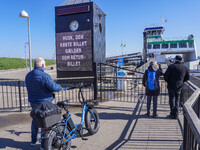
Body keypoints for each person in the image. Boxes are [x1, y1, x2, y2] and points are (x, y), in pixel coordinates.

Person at [25, 57, 64, 150]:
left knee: (35, 120)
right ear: (42, 65)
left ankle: (33, 141)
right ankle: (43, 145)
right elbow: (54, 87)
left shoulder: (28, 76)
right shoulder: (45, 76)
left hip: (33, 102)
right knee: (45, 123)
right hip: (44, 103)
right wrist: (61, 87)